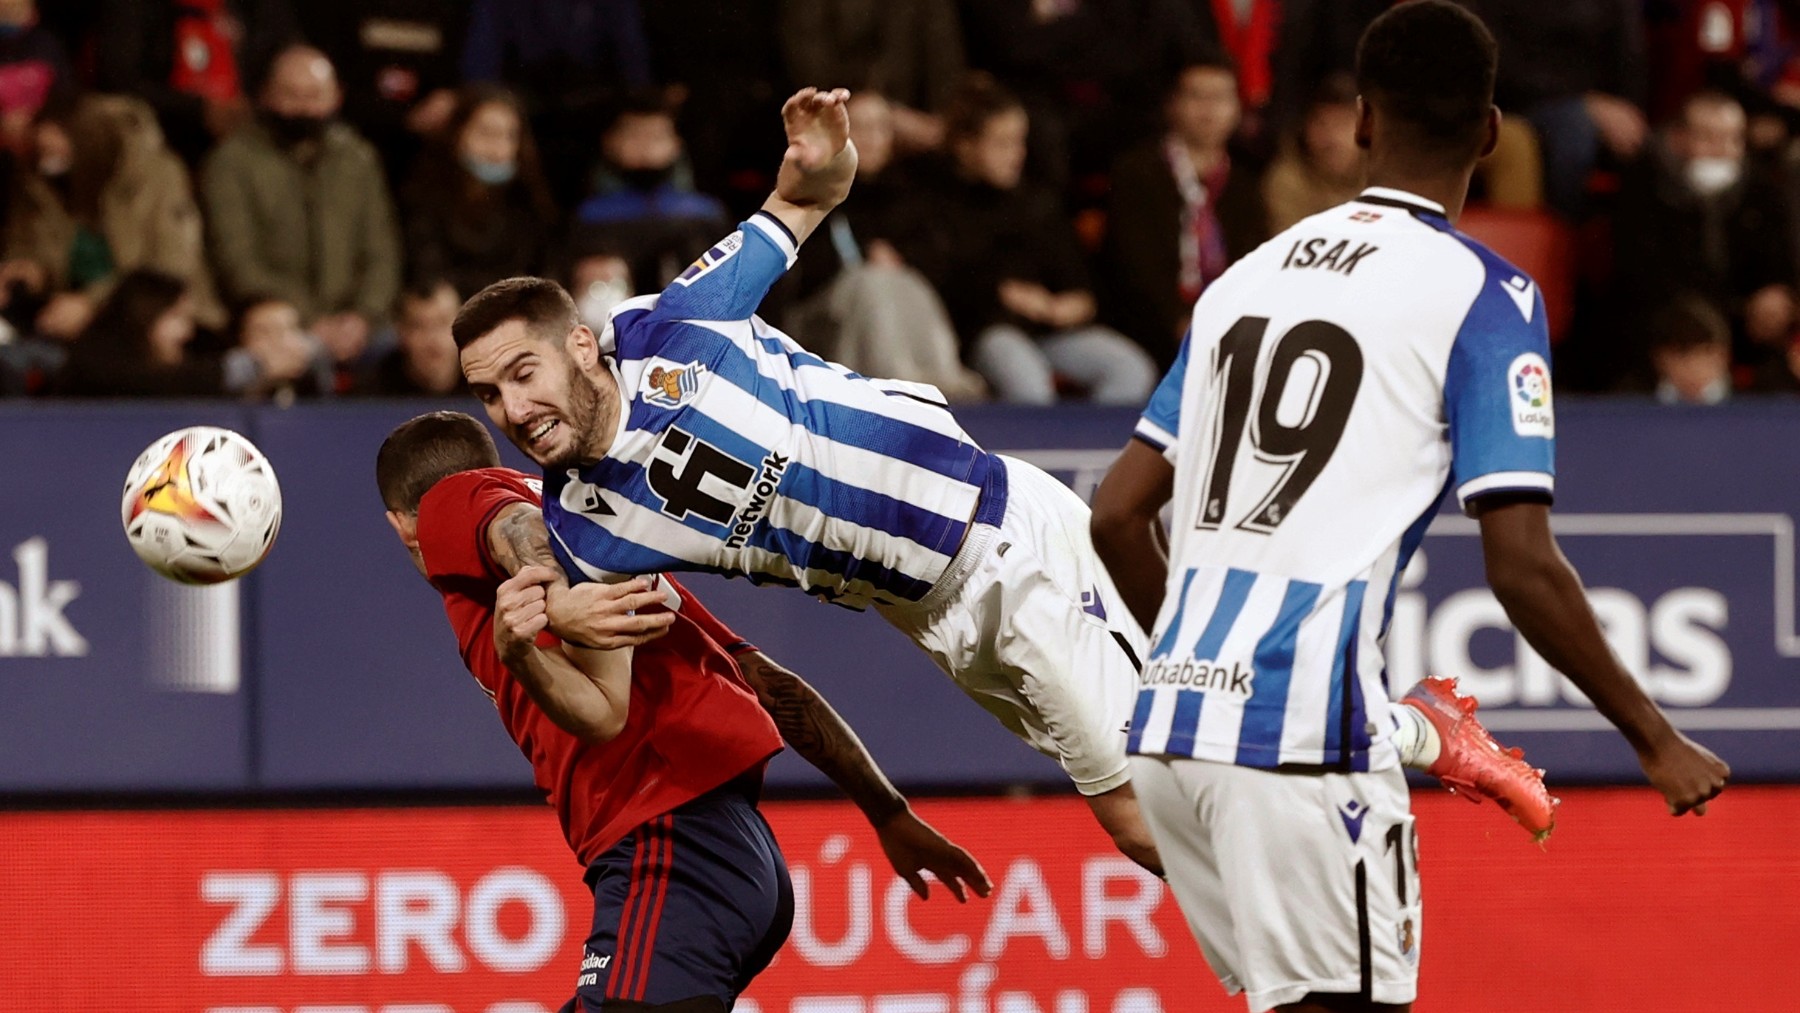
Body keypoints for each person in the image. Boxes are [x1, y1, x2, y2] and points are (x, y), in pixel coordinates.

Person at [451, 87, 1553, 877]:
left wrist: (817, 170)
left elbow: (802, 206)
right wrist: (524, 639)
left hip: (1004, 539)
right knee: (1190, 778)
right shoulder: (586, 528)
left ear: (584, 346)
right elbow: (596, 710)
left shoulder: (670, 323)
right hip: (937, 619)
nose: (513, 409)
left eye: (523, 371)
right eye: (489, 395)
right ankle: (1410, 741)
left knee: (1144, 821)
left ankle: (1393, 779)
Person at [1085, 5, 1731, 1011]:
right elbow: (1520, 564)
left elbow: (1117, 514)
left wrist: (1202, 649)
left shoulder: (1241, 280)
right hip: (1300, 741)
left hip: (1170, 726)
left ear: (1361, 121)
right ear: (1489, 133)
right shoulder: (1487, 296)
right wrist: (1653, 734)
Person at [374, 410, 988, 1011]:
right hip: (736, 857)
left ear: (401, 524)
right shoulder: (605, 546)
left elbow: (512, 524)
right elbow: (772, 685)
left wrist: (559, 603)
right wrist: (889, 812)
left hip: (670, 848)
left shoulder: (454, 505)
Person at [904, 76, 1157, 405]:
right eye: (1002, 143)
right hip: (984, 333)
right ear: (966, 146)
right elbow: (941, 283)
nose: (1016, 154)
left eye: (1019, 142)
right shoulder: (936, 203)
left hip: (1051, 333)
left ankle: (1081, 452)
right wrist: (1004, 295)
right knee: (1027, 379)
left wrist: (1075, 303)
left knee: (1131, 369)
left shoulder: (1037, 201)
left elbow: (1077, 277)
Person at [202, 44, 403, 389]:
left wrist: (362, 316)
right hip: (276, 325)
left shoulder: (358, 159)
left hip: (362, 329)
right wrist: (312, 322)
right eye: (290, 95)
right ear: (265, 96)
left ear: (336, 97)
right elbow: (238, 262)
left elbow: (382, 251)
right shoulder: (232, 162)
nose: (303, 108)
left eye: (314, 95)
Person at [785, 90, 985, 400]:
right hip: (824, 314)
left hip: (894, 303)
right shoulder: (817, 186)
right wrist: (865, 257)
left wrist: (897, 261)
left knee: (907, 281)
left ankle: (943, 375)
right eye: (861, 126)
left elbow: (939, 263)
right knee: (872, 282)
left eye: (881, 127)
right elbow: (802, 270)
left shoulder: (909, 193)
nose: (872, 137)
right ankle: (900, 381)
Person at [3, 94, 225, 342]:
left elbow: (168, 268)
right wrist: (27, 267)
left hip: (152, 317)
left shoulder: (156, 176)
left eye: (58, 154)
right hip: (61, 315)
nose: (50, 163)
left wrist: (92, 303)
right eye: (43, 152)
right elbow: (28, 242)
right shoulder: (41, 185)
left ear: (89, 147)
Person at [1614, 90, 1797, 386]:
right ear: (1679, 138)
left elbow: (1778, 266)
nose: (1721, 149)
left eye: (1732, 138)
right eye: (1708, 137)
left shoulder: (1764, 191)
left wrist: (1775, 295)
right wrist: (1696, 331)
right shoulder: (1643, 187)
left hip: (1744, 330)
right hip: (1663, 327)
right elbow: (1638, 274)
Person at [1104, 58, 1269, 370]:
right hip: (1150, 327)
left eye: (1220, 98)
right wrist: (1181, 322)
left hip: (1226, 327)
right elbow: (1135, 265)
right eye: (1196, 96)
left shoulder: (1246, 184)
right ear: (1173, 104)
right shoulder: (1137, 172)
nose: (1208, 110)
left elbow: (1253, 264)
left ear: (1237, 108)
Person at [92, 0, 301, 165]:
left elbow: (287, 53)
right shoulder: (135, 7)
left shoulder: (254, 7)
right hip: (162, 131)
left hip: (246, 127)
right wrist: (199, 109)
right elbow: (118, 79)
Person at [401, 85, 557, 300]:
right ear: (458, 133)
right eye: (485, 133)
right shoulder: (425, 195)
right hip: (448, 309)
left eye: (508, 136)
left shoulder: (528, 199)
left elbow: (542, 270)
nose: (496, 148)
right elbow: (426, 271)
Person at [570, 93, 734, 295]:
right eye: (634, 135)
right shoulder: (590, 217)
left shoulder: (704, 213)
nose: (645, 146)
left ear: (676, 144)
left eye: (656, 136)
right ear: (609, 142)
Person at [55, 269, 311, 397]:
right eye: (177, 318)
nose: (187, 332)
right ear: (144, 315)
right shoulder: (95, 361)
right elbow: (150, 384)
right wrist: (252, 366)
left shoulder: (196, 349)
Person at [361, 279, 464, 396]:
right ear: (401, 332)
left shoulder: (486, 380)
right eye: (419, 326)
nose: (433, 339)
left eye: (442, 323)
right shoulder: (373, 390)